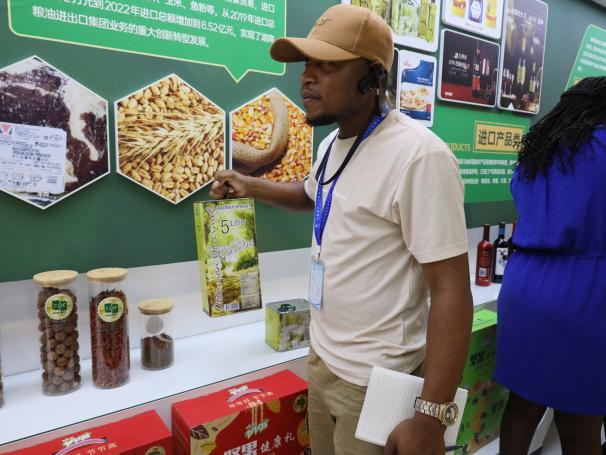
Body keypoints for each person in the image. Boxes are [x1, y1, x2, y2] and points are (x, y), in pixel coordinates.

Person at [211, 5, 473, 454]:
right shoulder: (335, 142)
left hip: (377, 378)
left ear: (372, 78)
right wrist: (250, 185)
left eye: (327, 65)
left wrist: (431, 417)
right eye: (307, 64)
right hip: (324, 358)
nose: (306, 78)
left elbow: (451, 291)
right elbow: (312, 195)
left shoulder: (419, 157)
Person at [495, 76, 606, 455]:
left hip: (524, 288)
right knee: (580, 423)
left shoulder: (540, 148)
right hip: (583, 294)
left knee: (521, 405)